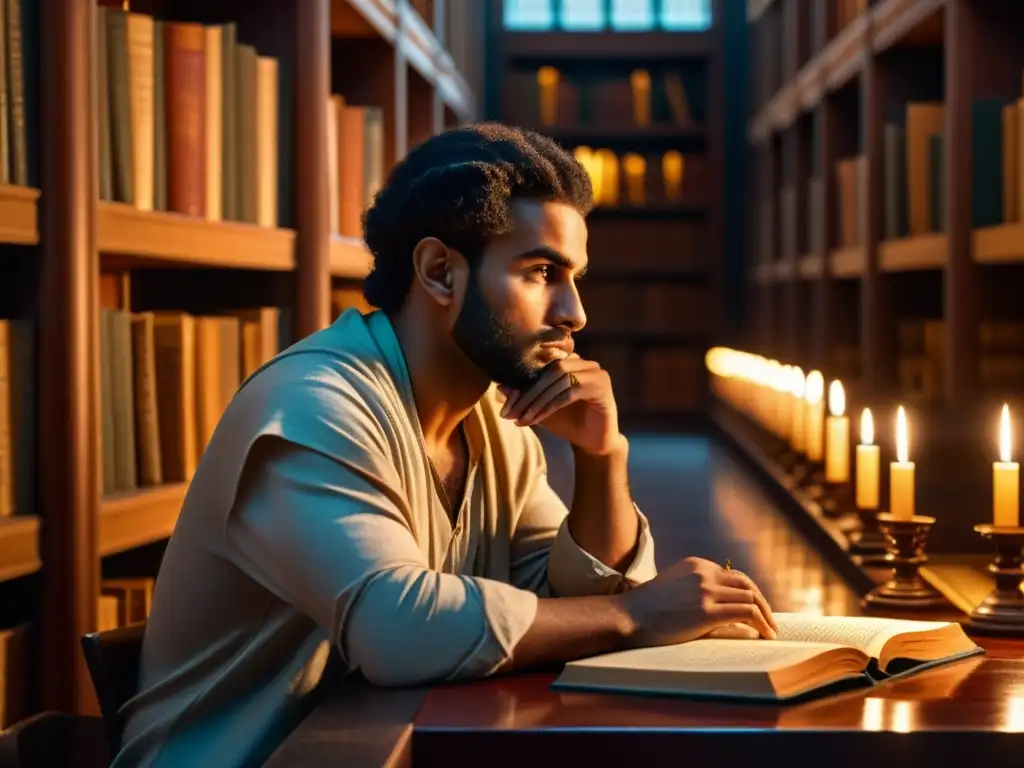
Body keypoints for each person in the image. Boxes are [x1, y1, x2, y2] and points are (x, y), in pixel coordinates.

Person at [113, 123, 777, 767]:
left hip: (386, 746)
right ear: (439, 271)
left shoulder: (489, 414)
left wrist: (604, 460)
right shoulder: (314, 403)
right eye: (542, 272)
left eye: (574, 278)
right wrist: (634, 615)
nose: (575, 314)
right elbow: (396, 633)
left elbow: (560, 594)